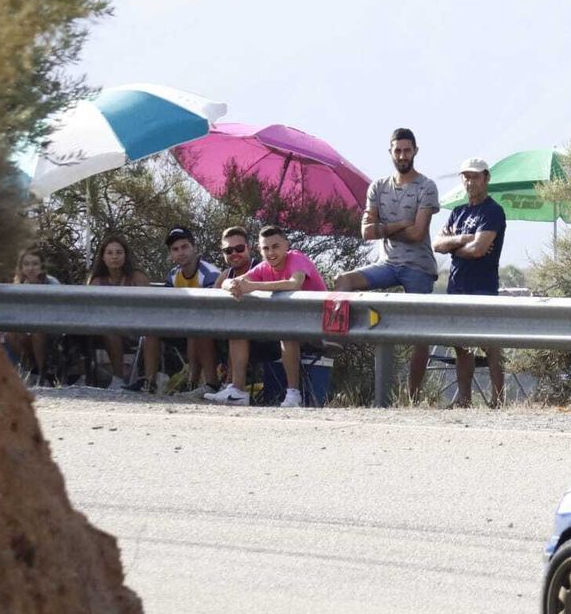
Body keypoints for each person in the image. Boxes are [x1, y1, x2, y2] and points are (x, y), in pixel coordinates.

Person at [333, 127, 440, 398]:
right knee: (343, 281)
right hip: (387, 263)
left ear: (415, 151)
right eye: (398, 150)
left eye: (407, 150)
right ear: (390, 152)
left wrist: (385, 227)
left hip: (418, 266)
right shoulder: (378, 187)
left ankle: (412, 395)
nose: (402, 155)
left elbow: (418, 234)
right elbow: (366, 232)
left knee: (421, 334)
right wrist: (401, 223)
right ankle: (334, 340)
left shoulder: (426, 187)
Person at [210, 225, 326, 408]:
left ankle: (293, 394)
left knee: (287, 332)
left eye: (275, 246)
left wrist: (254, 286)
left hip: (317, 325)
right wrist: (230, 286)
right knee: (238, 329)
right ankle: (237, 390)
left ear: (286, 245)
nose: (271, 252)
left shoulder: (296, 258)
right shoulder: (263, 267)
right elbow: (233, 281)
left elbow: (294, 284)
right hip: (286, 325)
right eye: (266, 248)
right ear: (259, 249)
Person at [433, 157, 507, 407]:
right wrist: (462, 240)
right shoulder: (458, 212)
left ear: (486, 178)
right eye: (465, 176)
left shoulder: (493, 211)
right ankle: (464, 400)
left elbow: (479, 249)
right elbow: (437, 244)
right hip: (457, 287)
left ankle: (499, 401)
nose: (469, 181)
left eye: (474, 176)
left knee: (490, 344)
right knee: (461, 345)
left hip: (483, 286)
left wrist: (453, 245)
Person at [85, 234, 163, 392]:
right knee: (110, 330)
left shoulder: (137, 277)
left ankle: (150, 383)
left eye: (119, 252)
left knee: (152, 331)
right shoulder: (96, 281)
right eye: (110, 253)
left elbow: (151, 306)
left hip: (136, 328)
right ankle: (118, 379)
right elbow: (91, 310)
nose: (114, 257)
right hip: (108, 329)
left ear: (126, 255)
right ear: (103, 257)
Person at [164, 226, 219, 397]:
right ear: (171, 254)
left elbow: (214, 309)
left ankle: (209, 383)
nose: (181, 252)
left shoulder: (209, 273)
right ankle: (149, 383)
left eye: (184, 247)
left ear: (194, 247)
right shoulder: (173, 275)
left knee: (198, 326)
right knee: (149, 331)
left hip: (214, 328)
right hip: (183, 325)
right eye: (175, 249)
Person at [4, 246, 61, 385]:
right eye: (27, 264)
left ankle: (44, 375)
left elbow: (58, 310)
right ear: (21, 267)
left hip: (52, 332)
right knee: (10, 334)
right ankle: (31, 371)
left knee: (37, 331)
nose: (31, 268)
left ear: (42, 266)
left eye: (35, 264)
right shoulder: (19, 286)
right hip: (29, 329)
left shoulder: (51, 283)